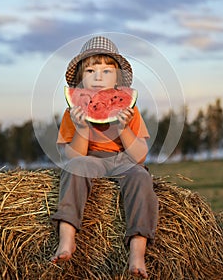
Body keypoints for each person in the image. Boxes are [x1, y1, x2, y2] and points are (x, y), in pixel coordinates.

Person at [51, 36, 158, 279]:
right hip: (88, 158)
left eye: (106, 70)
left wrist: (123, 127)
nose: (98, 76)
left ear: (118, 79)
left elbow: (140, 156)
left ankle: (137, 251)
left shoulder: (129, 110)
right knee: (76, 167)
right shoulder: (73, 112)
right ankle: (67, 240)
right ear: (80, 78)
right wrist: (82, 128)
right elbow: (72, 156)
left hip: (123, 159)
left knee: (141, 178)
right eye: (91, 70)